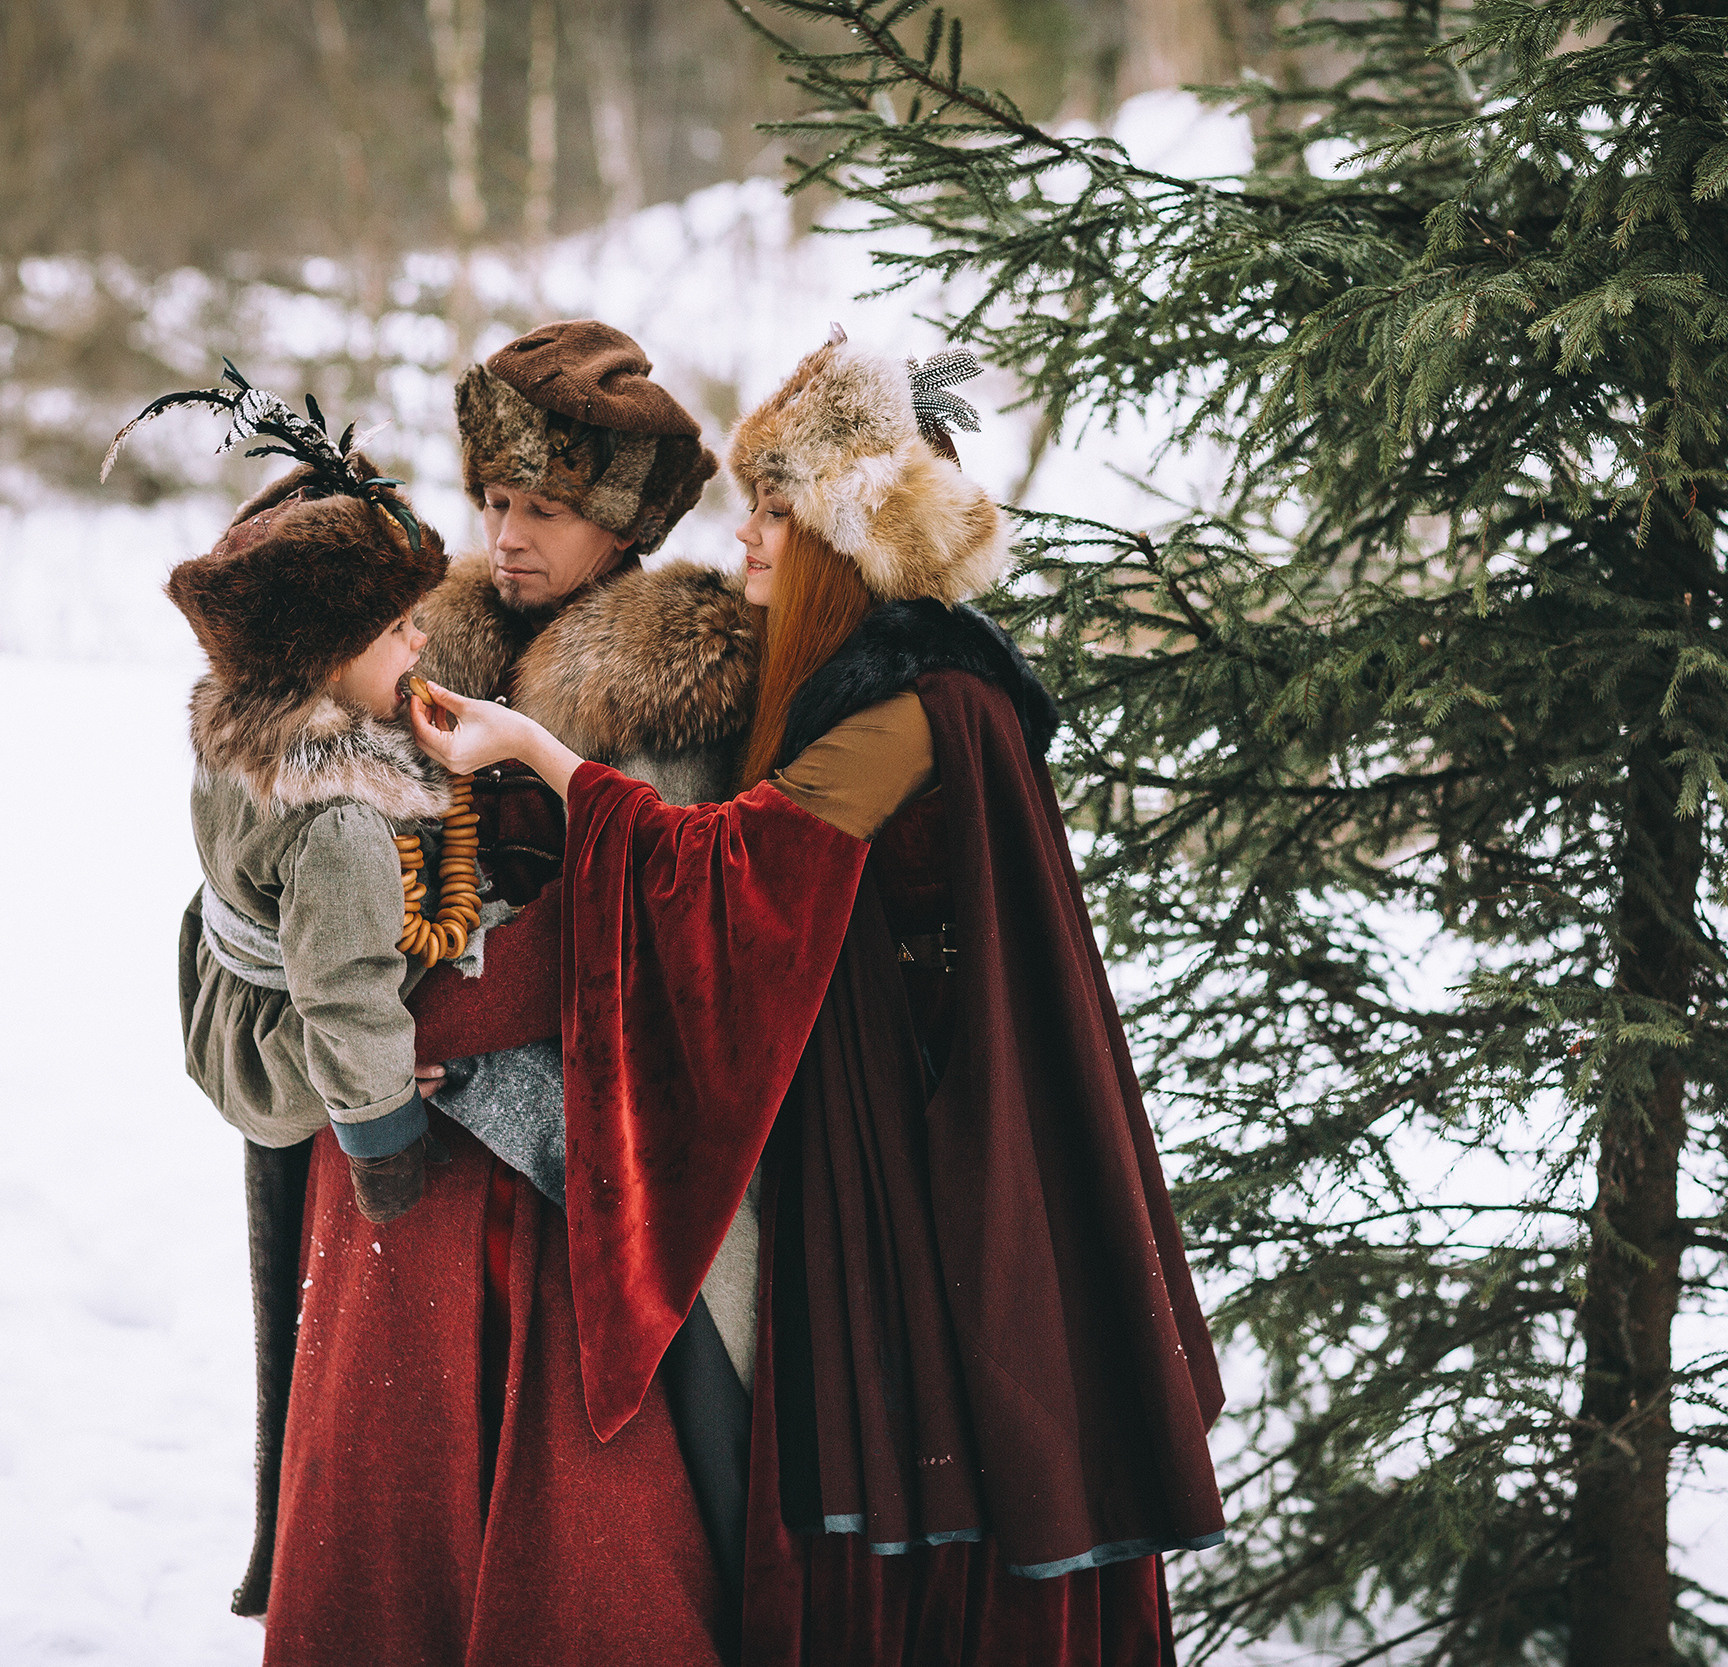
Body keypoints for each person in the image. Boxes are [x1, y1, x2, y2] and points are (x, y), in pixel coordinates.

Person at [410, 330, 1228, 1665]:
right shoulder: (898, 683)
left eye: (775, 513)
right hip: (906, 1130)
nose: (746, 540)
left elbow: (720, 872)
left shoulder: (912, 703)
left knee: (943, 1442)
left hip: (932, 1155)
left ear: (845, 541)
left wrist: (540, 753)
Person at [223, 323, 756, 1666]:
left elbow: (676, 916)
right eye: (495, 500)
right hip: (392, 1158)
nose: (509, 535)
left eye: (546, 509)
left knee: (584, 1512)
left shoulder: (684, 685)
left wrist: (462, 1004)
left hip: (573, 1170)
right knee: (382, 1470)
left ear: (620, 521)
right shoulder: (406, 643)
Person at [165, 430, 454, 1226]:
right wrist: (387, 1134)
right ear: (330, 659)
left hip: (223, 1005)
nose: (421, 640)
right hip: (284, 1059)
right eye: (398, 628)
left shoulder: (243, 735)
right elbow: (348, 994)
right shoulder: (342, 824)